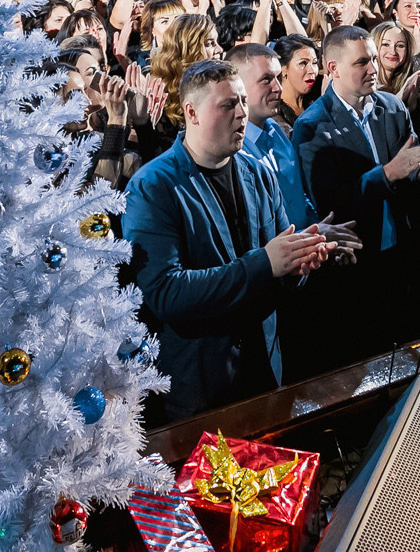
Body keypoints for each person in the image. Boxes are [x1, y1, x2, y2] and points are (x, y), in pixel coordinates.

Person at [122, 61, 331, 422]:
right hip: (201, 390)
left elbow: (280, 268)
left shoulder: (257, 171)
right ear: (192, 113)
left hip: (265, 372)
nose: (241, 114)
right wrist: (266, 263)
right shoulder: (152, 187)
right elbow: (166, 294)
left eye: (243, 102)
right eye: (227, 105)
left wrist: (300, 264)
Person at [290, 26, 420, 355]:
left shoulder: (392, 108)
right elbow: (331, 205)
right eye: (361, 63)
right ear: (333, 68)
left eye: (372, 59)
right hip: (355, 266)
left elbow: (407, 176)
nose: (373, 68)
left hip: (402, 255)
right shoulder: (312, 126)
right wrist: (388, 173)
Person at [230, 42, 313, 228]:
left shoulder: (278, 133)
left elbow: (297, 197)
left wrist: (319, 229)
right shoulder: (233, 151)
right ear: (237, 86)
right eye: (266, 80)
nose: (278, 88)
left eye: (278, 78)